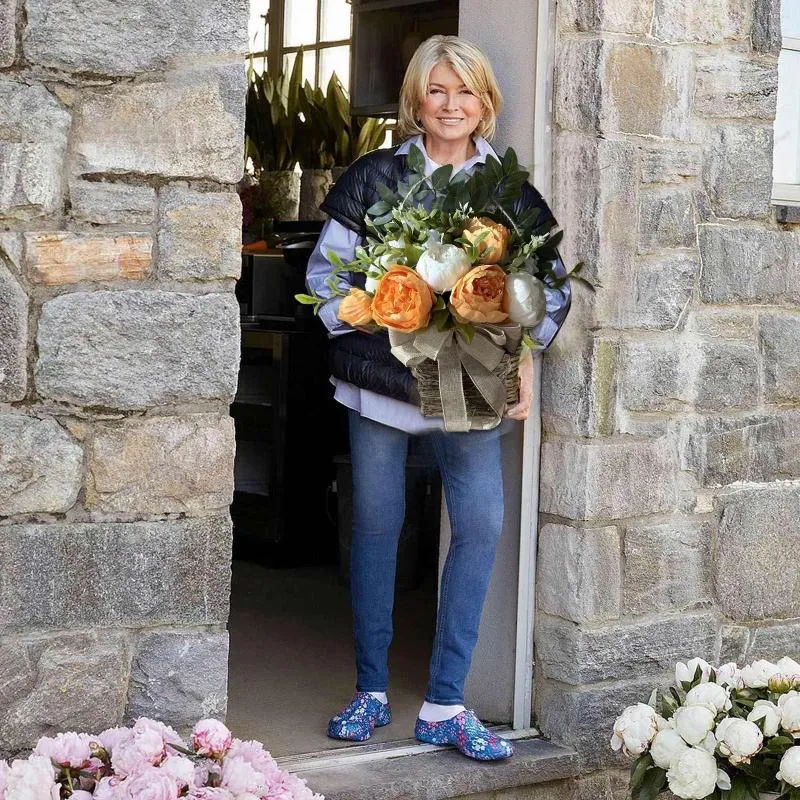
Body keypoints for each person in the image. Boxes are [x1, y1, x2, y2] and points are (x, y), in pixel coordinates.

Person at [305, 34, 571, 761]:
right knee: (377, 526)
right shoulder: (375, 175)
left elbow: (549, 292)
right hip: (382, 386)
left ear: (486, 103)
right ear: (416, 100)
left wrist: (524, 363)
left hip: (473, 387)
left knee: (480, 524)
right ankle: (369, 691)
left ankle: (446, 704)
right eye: (438, 90)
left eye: (467, 92)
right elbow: (327, 281)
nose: (452, 105)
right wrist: (392, 309)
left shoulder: (510, 190)